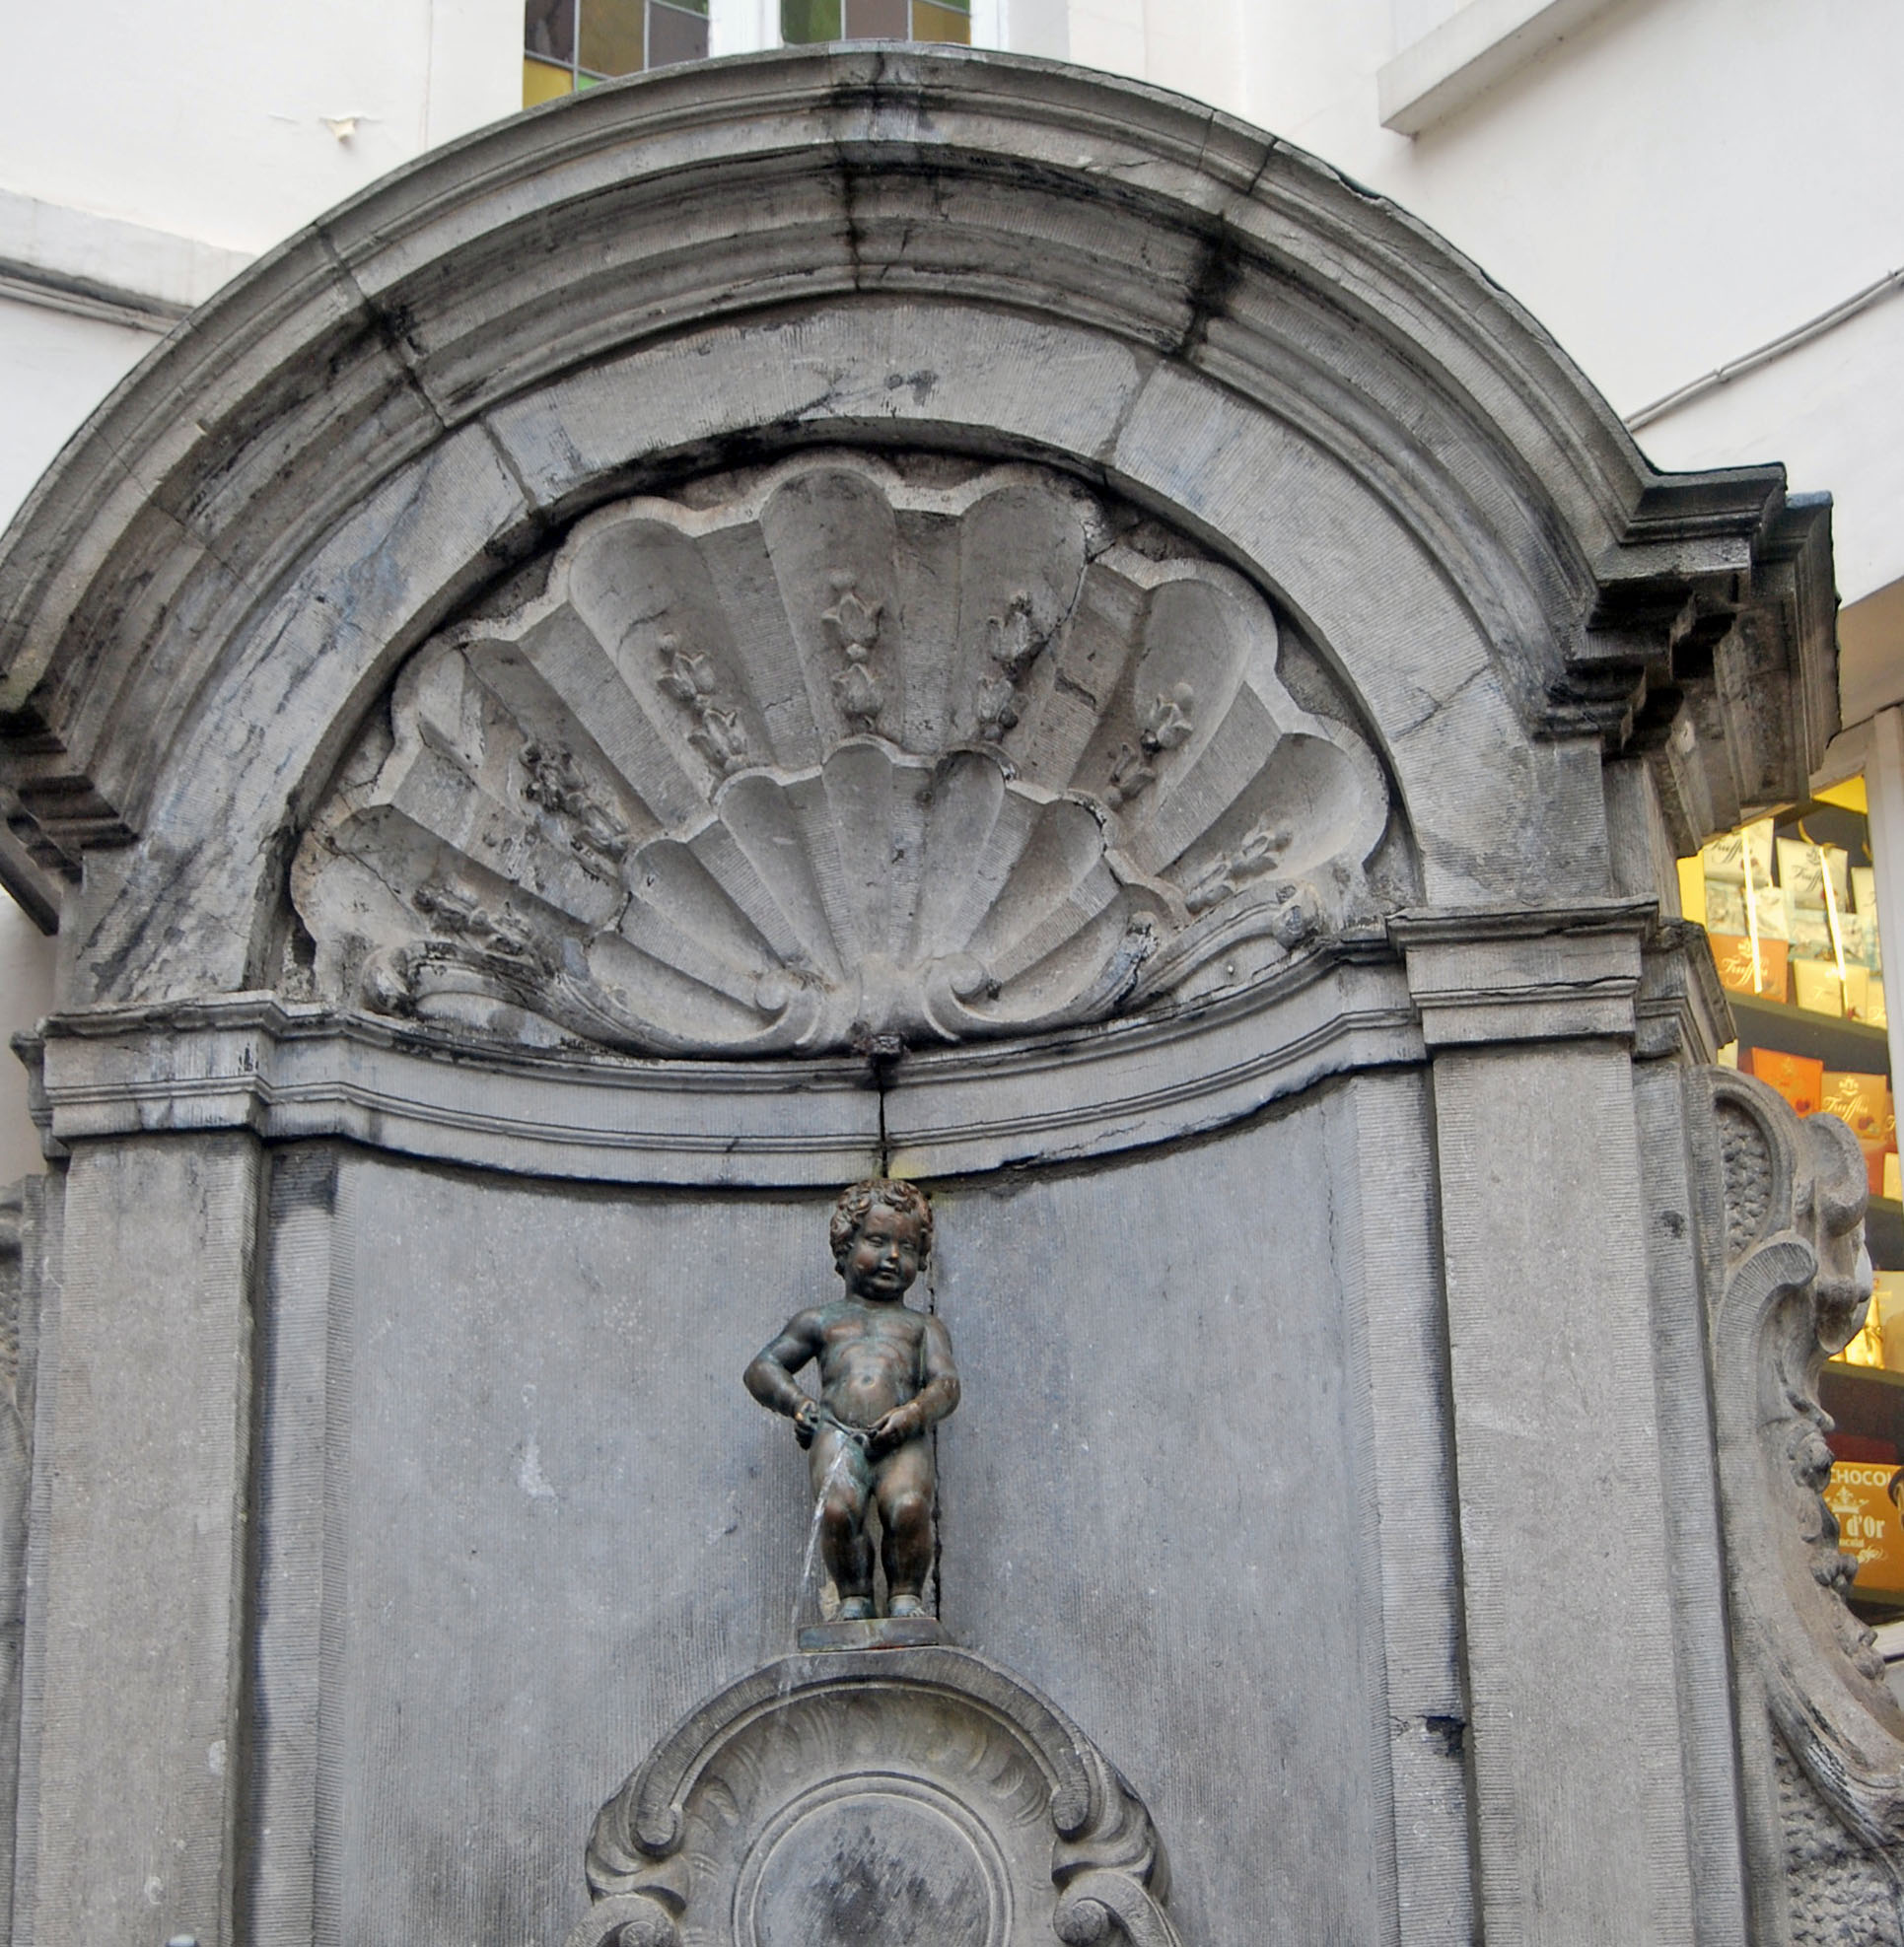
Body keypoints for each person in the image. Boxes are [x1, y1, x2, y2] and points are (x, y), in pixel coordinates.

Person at [743, 1179, 959, 1621]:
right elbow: (762, 1368)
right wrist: (798, 1404)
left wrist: (914, 1413)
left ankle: (906, 1596)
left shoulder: (922, 1327)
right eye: (878, 1241)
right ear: (845, 1246)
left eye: (907, 1247)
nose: (893, 1257)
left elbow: (946, 1385)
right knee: (839, 1511)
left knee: (910, 1507)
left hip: (902, 1435)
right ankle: (854, 1598)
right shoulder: (821, 1321)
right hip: (836, 1431)